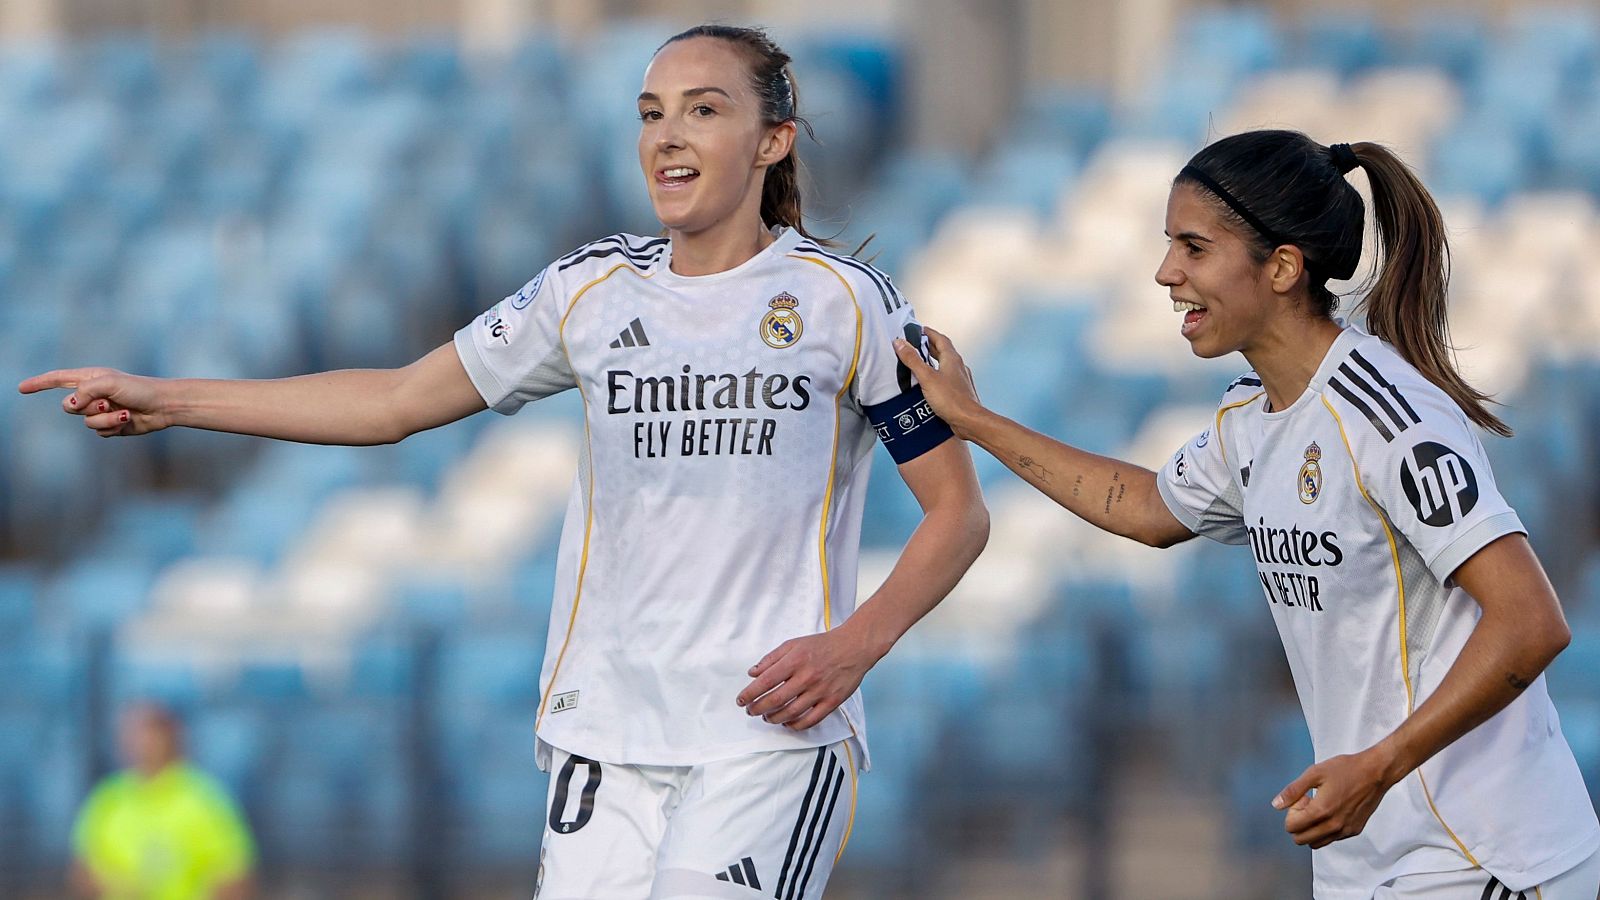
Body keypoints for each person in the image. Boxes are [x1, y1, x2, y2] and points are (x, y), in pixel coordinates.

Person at [22, 24, 988, 900]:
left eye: (705, 110)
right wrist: (175, 400)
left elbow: (958, 514)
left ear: (773, 140)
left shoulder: (848, 303)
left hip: (763, 738)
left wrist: (854, 647)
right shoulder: (589, 291)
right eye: (651, 114)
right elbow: (397, 400)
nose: (669, 136)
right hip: (601, 731)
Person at [896, 130, 1600, 899]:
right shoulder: (1249, 421)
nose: (1167, 274)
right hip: (1367, 855)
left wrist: (1380, 766)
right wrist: (976, 420)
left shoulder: (1387, 418)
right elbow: (1146, 506)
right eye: (1170, 246)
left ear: (1284, 268)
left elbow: (1531, 620)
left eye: (1194, 248)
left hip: (1482, 851)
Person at [70, 703, 255, 899]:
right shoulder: (107, 799)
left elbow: (235, 875)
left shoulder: (206, 800)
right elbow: (82, 872)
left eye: (148, 732)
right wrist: (115, 886)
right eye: (131, 733)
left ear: (171, 737)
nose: (140, 742)